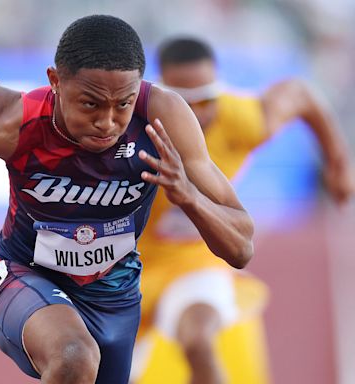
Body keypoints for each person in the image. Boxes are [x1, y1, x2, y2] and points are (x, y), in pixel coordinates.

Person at [0, 16, 255, 384]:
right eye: (90, 103)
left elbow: (240, 247)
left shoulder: (164, 118)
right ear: (55, 81)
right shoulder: (8, 120)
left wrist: (189, 197)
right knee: (74, 357)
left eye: (123, 104)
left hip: (114, 293)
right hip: (21, 273)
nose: (107, 122)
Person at [132, 37, 355, 384]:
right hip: (123, 267)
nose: (198, 114)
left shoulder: (240, 119)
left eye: (207, 99)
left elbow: (300, 94)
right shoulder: (133, 129)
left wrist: (338, 162)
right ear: (162, 95)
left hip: (193, 263)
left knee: (199, 342)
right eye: (184, 102)